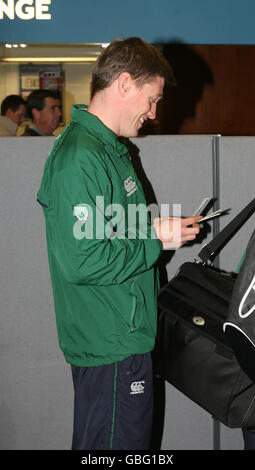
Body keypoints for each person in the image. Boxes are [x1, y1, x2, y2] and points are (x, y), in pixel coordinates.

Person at [37, 37, 202, 451]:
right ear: (125, 83)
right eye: (152, 99)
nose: (154, 112)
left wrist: (157, 227)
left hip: (126, 337)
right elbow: (82, 259)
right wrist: (154, 237)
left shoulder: (113, 150)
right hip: (109, 344)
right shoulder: (80, 156)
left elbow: (117, 230)